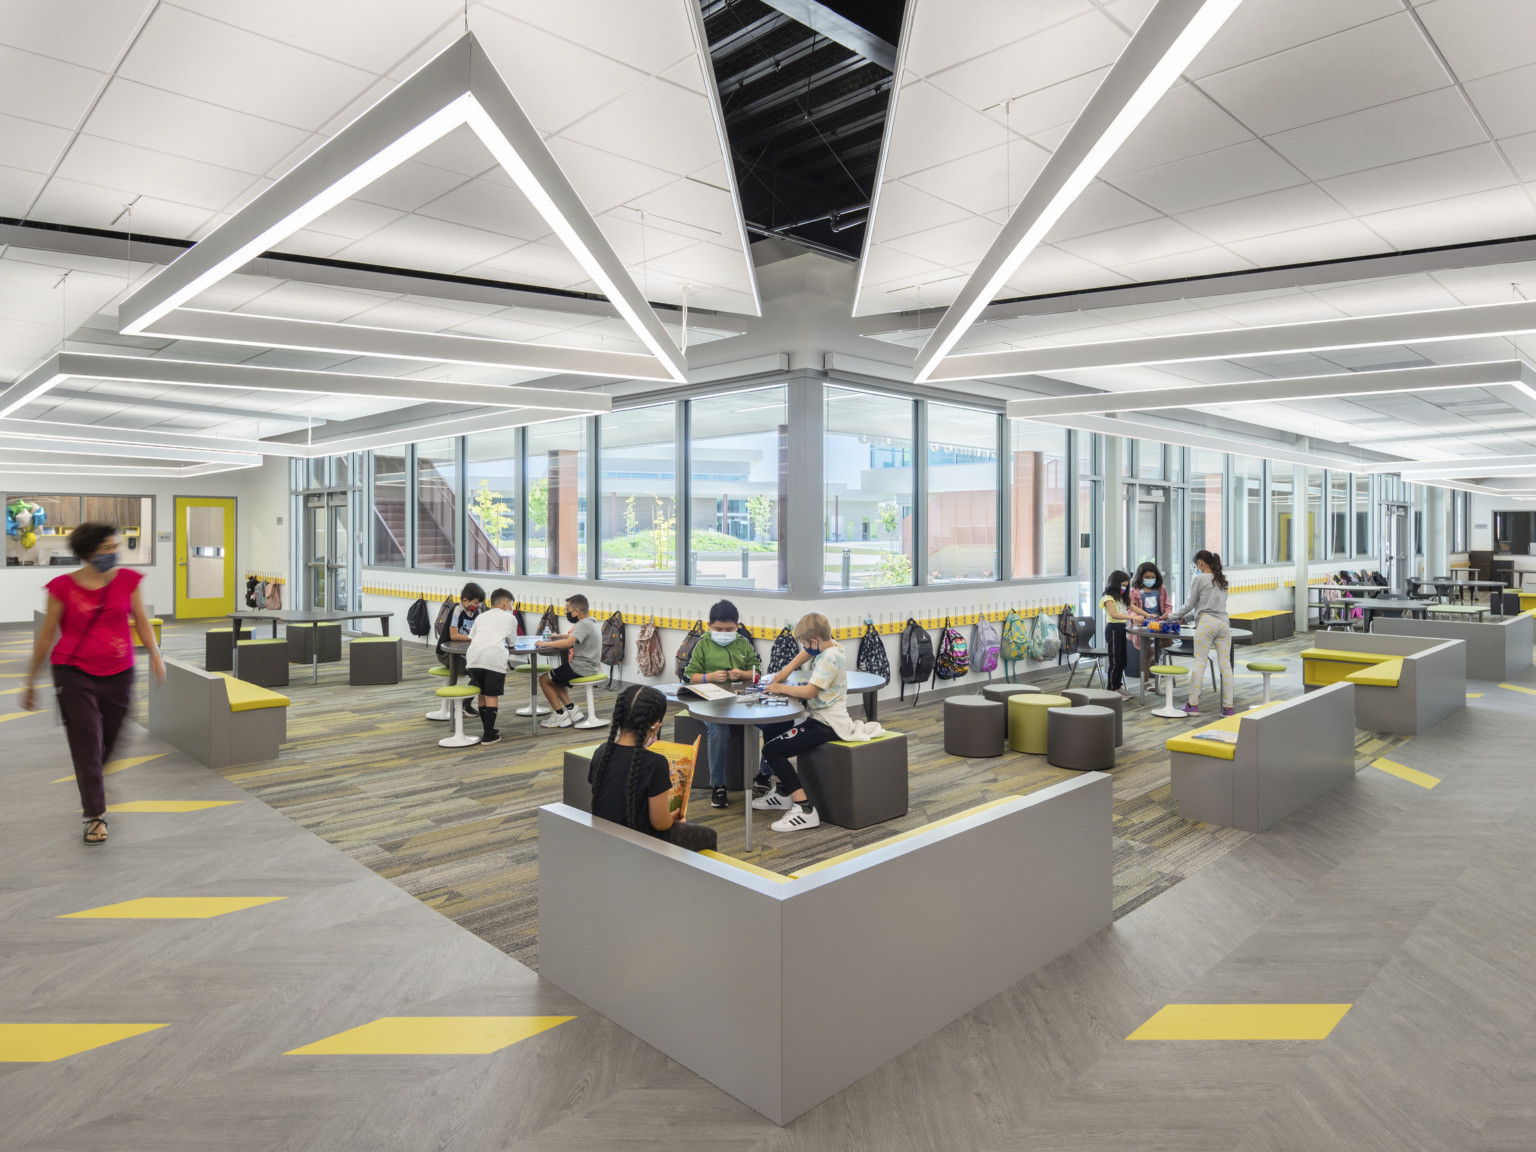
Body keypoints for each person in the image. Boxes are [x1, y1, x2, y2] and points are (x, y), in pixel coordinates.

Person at [21, 522, 165, 845]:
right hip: (73, 672)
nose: (113, 553)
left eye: (116, 547)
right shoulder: (62, 587)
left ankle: (93, 777)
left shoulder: (129, 581)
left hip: (119, 670)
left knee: (113, 737)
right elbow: (46, 637)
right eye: (106, 549)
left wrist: (156, 653)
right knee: (86, 739)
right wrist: (30, 681)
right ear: (88, 552)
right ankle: (95, 815)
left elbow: (140, 620)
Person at [754, 612, 882, 833]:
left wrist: (779, 688)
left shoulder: (830, 658)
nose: (805, 647)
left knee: (772, 750)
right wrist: (784, 673)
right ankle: (784, 793)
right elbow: (804, 655)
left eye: (805, 643)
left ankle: (805, 810)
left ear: (814, 641)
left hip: (827, 724)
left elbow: (810, 692)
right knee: (774, 734)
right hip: (821, 719)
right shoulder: (832, 647)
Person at [589, 685, 716, 851]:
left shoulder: (601, 752)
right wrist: (674, 817)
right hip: (642, 842)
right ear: (655, 725)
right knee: (709, 835)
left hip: (604, 836)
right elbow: (661, 824)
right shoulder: (655, 763)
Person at [683, 599, 762, 809]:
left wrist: (743, 674)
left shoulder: (743, 643)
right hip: (712, 703)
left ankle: (763, 777)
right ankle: (719, 784)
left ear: (737, 626)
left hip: (740, 701)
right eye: (718, 629)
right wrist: (709, 677)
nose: (724, 633)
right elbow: (690, 676)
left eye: (730, 629)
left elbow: (757, 674)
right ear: (710, 626)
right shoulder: (703, 644)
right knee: (719, 732)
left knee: (768, 724)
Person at [1170, 549, 1233, 717]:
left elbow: (1190, 605)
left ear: (1200, 563)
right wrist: (1187, 618)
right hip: (1224, 624)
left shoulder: (1199, 578)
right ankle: (1228, 708)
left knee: (1200, 662)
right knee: (1225, 665)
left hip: (1206, 624)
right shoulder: (1222, 580)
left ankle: (1193, 704)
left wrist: (1170, 617)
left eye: (1195, 565)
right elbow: (1204, 606)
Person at [536, 593, 602, 728]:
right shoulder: (592, 622)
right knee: (556, 679)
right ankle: (572, 710)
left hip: (580, 667)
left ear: (577, 611)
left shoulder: (582, 624)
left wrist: (545, 644)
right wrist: (556, 636)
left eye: (568, 611)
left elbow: (568, 643)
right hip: (590, 666)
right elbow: (572, 636)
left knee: (544, 679)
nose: (567, 614)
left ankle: (560, 715)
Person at [463, 588, 518, 745]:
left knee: (482, 693)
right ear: (506, 602)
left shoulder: (481, 616)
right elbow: (513, 643)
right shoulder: (510, 618)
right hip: (493, 658)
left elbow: (471, 637)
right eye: (511, 603)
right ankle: (488, 735)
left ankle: (488, 729)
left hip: (473, 658)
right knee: (491, 695)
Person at [438, 582, 485, 716]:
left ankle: (466, 703)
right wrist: (474, 638)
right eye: (475, 603)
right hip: (447, 653)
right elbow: (454, 635)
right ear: (465, 600)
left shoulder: (479, 611)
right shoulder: (457, 611)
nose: (476, 606)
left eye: (479, 604)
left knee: (483, 672)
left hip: (467, 652)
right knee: (477, 673)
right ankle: (464, 705)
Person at [1127, 561, 1171, 680]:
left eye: (1153, 577)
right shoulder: (1135, 591)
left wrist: (1168, 613)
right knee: (1146, 654)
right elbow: (1130, 608)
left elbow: (1167, 605)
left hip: (1159, 623)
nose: (1150, 579)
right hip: (1143, 625)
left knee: (1168, 642)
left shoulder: (1160, 589)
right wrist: (1135, 617)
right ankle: (1145, 681)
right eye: (1147, 577)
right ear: (1140, 577)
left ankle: (1155, 648)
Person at [1098, 570, 1135, 698]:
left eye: (1126, 585)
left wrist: (1147, 615)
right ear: (1115, 584)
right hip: (1113, 629)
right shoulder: (1108, 598)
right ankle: (1112, 689)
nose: (1124, 588)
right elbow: (1114, 614)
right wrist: (1132, 618)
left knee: (1122, 661)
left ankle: (1117, 687)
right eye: (1122, 585)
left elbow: (1134, 608)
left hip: (1121, 629)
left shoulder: (1121, 598)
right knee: (1115, 661)